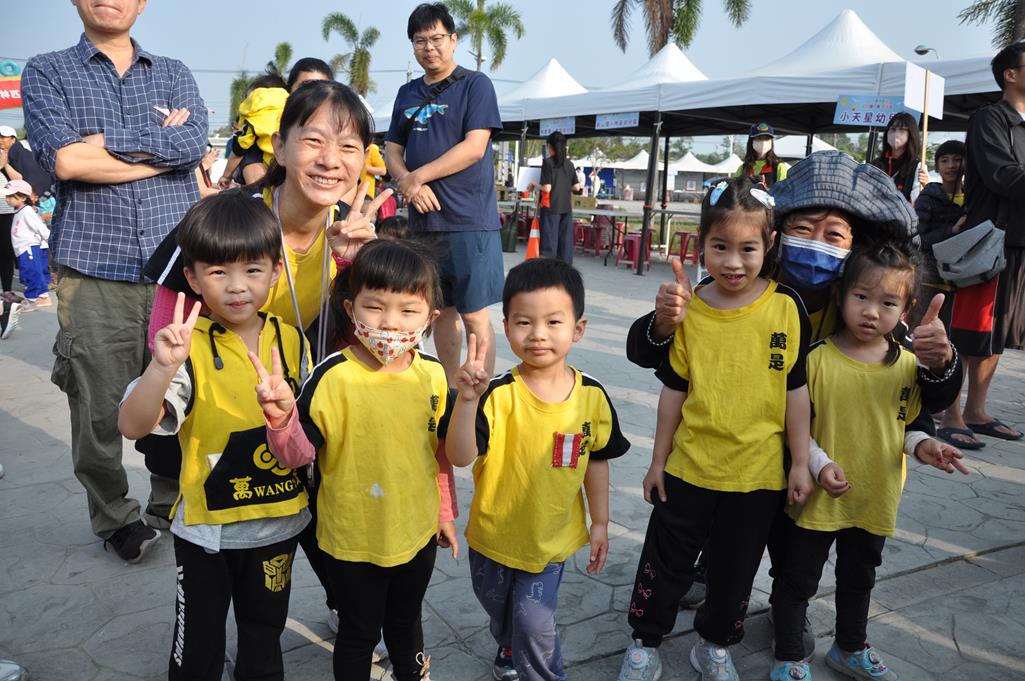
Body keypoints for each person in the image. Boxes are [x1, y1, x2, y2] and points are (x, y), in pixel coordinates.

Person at [623, 151, 962, 663]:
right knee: (709, 526)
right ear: (779, 237)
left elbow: (922, 399)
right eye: (804, 229)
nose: (816, 244)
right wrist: (664, 321)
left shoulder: (870, 310)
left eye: (834, 235)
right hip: (725, 451)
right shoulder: (730, 294)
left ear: (856, 248)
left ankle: (787, 604)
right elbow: (651, 354)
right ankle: (705, 570)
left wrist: (943, 360)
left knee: (792, 544)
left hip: (814, 462)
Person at [141, 80, 385, 630]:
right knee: (219, 568)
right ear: (279, 145)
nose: (331, 160)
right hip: (217, 410)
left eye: (348, 146)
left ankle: (348, 616)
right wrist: (166, 394)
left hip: (292, 408)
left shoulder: (350, 228)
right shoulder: (231, 219)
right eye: (314, 140)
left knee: (324, 519)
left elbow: (364, 337)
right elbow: (168, 314)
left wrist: (355, 266)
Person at [22, 0, 208, 561]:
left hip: (177, 268)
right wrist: (159, 148)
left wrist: (100, 142)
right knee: (97, 406)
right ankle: (115, 518)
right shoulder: (48, 71)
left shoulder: (173, 72)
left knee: (182, 393)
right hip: (94, 270)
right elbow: (66, 163)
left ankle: (170, 497)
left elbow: (194, 143)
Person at [618, 176, 814, 681]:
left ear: (770, 244)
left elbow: (796, 392)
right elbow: (674, 392)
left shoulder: (787, 308)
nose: (733, 262)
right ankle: (645, 642)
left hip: (757, 476)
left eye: (748, 248)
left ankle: (715, 645)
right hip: (689, 467)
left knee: (735, 570)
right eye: (719, 246)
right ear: (700, 244)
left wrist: (800, 463)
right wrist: (657, 462)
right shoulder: (690, 309)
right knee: (665, 562)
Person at [118, 192, 311, 681]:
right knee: (198, 647)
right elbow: (132, 425)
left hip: (279, 525)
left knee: (264, 638)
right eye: (219, 271)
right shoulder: (187, 348)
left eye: (253, 269)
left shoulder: (292, 341)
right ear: (192, 277)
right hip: (207, 533)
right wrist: (161, 368)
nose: (238, 286)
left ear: (275, 271)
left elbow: (311, 437)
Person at [770, 243, 970, 681]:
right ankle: (789, 655)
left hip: (874, 497)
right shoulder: (815, 360)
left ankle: (850, 647)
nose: (871, 312)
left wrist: (926, 446)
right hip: (817, 499)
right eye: (861, 296)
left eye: (888, 303)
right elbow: (797, 427)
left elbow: (908, 425)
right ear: (841, 294)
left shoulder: (909, 366)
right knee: (797, 579)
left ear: (907, 309)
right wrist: (819, 464)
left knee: (859, 579)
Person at [260, 238, 455, 681]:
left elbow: (439, 453)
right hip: (350, 538)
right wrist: (281, 419)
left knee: (407, 622)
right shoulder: (331, 376)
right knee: (358, 632)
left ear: (431, 317)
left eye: (408, 310)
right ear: (351, 309)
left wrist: (444, 511)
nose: (390, 322)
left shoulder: (434, 375)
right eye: (375, 307)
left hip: (416, 532)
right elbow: (297, 455)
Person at [446, 258, 630, 681]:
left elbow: (596, 460)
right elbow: (459, 456)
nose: (538, 334)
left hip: (550, 540)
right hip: (493, 536)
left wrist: (600, 522)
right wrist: (467, 402)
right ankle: (509, 648)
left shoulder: (592, 397)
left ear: (578, 329)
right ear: (506, 326)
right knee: (501, 612)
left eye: (553, 322)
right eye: (524, 322)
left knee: (534, 622)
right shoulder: (496, 395)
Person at [385, 2, 505, 385]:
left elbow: (474, 147)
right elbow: (392, 150)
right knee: (440, 312)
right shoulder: (407, 93)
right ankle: (453, 390)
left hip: (469, 220)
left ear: (453, 40)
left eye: (437, 38)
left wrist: (416, 178)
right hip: (424, 224)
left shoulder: (475, 85)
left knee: (474, 314)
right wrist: (408, 181)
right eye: (420, 41)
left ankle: (479, 393)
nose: (429, 47)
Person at [942, 42, 1025, 448]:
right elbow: (1002, 175)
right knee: (969, 331)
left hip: (1019, 242)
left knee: (997, 332)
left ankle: (977, 410)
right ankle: (950, 413)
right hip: (990, 242)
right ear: (1010, 74)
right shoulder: (989, 119)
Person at [911, 139, 965, 330]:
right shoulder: (929, 197)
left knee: (949, 338)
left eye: (957, 159)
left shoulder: (975, 199)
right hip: (930, 280)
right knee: (919, 333)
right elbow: (917, 239)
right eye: (944, 160)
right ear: (937, 166)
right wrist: (951, 231)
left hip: (964, 281)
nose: (951, 165)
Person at [217, 73, 289, 188]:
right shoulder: (291, 104)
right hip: (291, 163)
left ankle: (256, 194)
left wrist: (226, 176)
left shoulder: (255, 111)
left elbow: (239, 149)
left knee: (247, 150)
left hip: (270, 167)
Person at [528, 132, 581, 263]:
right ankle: (565, 270)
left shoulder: (548, 163)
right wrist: (563, 187)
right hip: (566, 208)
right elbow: (577, 187)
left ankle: (549, 271)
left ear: (549, 146)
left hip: (551, 208)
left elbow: (547, 188)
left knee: (549, 245)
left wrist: (534, 184)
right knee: (565, 244)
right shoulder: (569, 164)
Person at [3, 179, 51, 308]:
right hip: (23, 248)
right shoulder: (20, 211)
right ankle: (42, 297)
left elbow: (39, 227)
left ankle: (32, 299)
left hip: (29, 247)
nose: (7, 199)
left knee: (32, 272)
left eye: (10, 196)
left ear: (23, 197)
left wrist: (49, 239)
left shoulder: (27, 211)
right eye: (6, 196)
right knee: (32, 272)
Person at [871, 112, 930, 203]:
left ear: (911, 135)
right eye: (893, 129)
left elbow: (915, 202)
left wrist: (925, 186)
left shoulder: (918, 167)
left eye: (902, 130)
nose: (896, 134)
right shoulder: (874, 165)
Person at [0, 125, 54, 200]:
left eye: (3, 137)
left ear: (13, 140)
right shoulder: (10, 155)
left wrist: (33, 198)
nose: (0, 140)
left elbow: (21, 179)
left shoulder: (21, 154)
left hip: (40, 198)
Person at [736, 122, 790, 188]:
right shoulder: (742, 169)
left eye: (767, 139)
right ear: (751, 142)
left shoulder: (779, 167)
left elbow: (785, 192)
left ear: (771, 142)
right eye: (759, 138)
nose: (763, 142)